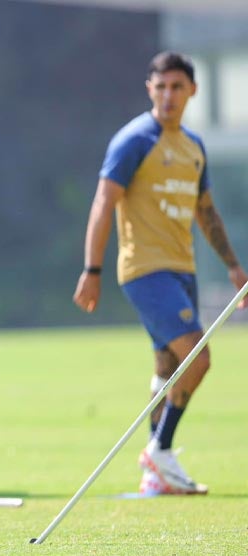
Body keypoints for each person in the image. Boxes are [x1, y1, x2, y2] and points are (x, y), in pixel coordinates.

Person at [73, 51, 247, 495]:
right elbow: (103, 202)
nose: (168, 96)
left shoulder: (193, 147)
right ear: (149, 89)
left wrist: (232, 266)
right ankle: (160, 449)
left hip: (182, 269)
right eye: (160, 87)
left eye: (177, 87)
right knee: (199, 357)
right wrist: (91, 268)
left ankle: (157, 475)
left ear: (192, 91)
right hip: (145, 270)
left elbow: (206, 212)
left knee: (168, 368)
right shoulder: (135, 139)